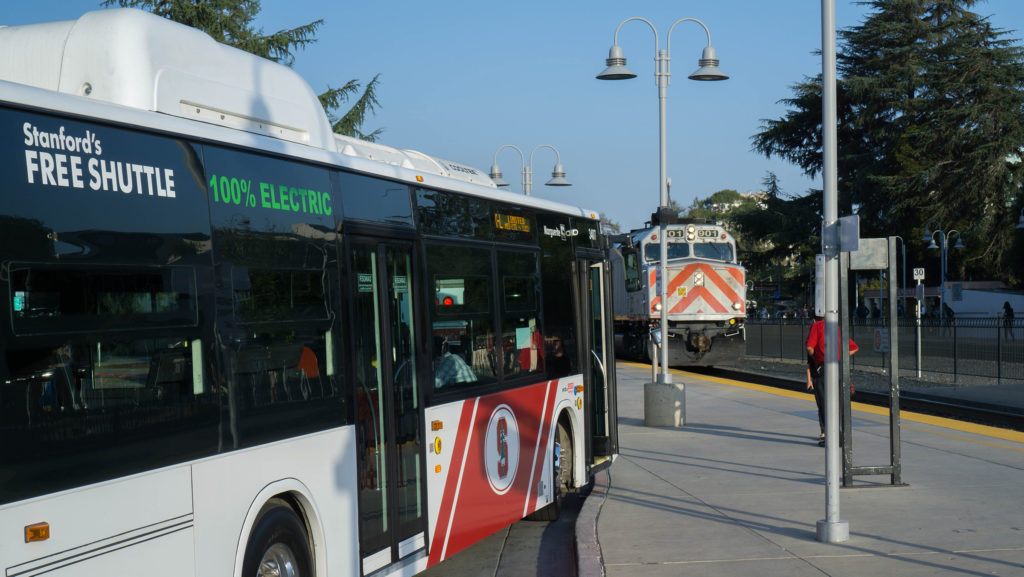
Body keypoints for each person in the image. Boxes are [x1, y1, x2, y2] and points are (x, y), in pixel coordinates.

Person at [805, 315, 859, 446]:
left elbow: (809, 347)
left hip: (824, 368)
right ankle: (841, 436)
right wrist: (839, 356)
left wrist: (816, 357)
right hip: (839, 366)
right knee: (839, 402)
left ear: (814, 319)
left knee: (824, 403)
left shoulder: (816, 326)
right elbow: (854, 348)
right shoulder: (837, 328)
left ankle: (831, 437)